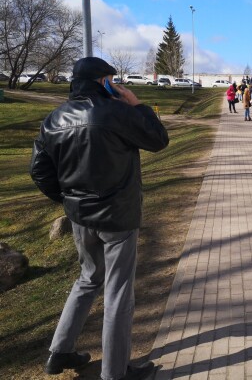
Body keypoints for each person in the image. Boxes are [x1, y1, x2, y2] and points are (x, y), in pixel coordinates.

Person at [30, 57, 169, 380]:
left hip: (80, 216)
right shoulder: (117, 112)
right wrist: (138, 106)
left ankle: (59, 352)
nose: (116, 84)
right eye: (112, 79)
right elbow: (158, 140)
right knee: (118, 291)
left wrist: (68, 200)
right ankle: (115, 373)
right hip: (118, 216)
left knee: (88, 279)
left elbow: (39, 170)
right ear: (103, 81)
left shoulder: (54, 119)